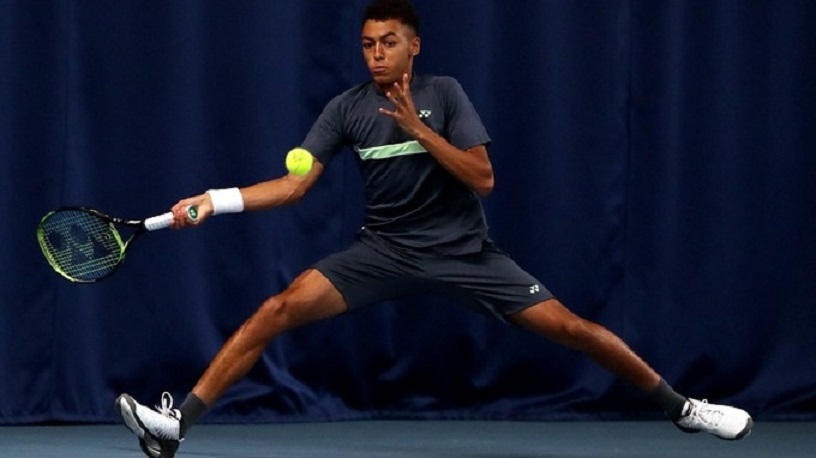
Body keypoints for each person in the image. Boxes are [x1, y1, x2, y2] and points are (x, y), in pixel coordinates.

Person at [115, 1, 753, 456]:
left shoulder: (444, 96)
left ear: (412, 44)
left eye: (387, 41)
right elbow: (294, 184)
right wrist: (217, 200)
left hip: (464, 254)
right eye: (367, 43)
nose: (375, 53)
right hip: (383, 253)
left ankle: (684, 410)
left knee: (573, 330)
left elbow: (482, 178)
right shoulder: (345, 109)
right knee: (277, 309)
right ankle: (178, 427)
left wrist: (420, 131)